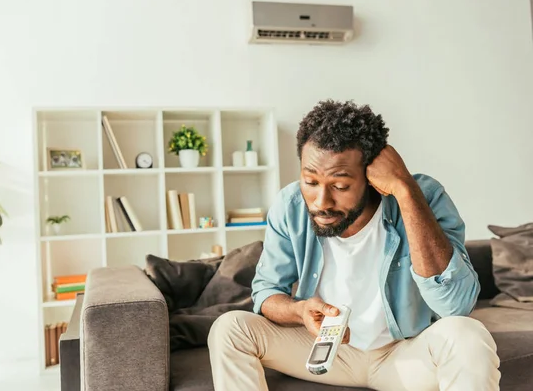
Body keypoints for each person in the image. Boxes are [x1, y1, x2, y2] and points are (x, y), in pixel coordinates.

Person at [207, 100, 500, 391]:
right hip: (325, 351)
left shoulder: (423, 196)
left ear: (372, 177)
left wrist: (404, 190)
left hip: (402, 355)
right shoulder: (290, 205)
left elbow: (455, 305)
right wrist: (300, 311)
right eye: (310, 181)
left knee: (467, 335)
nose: (321, 202)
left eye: (340, 186)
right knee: (230, 328)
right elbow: (266, 291)